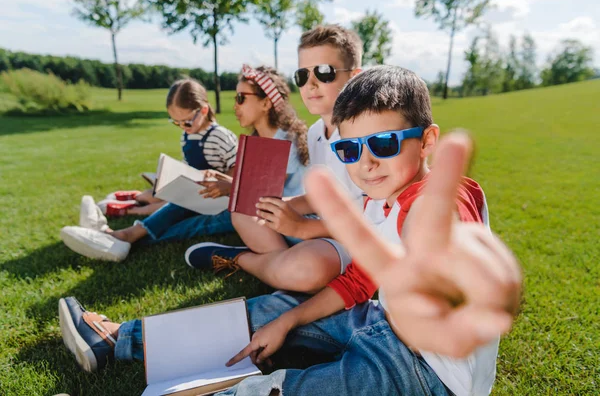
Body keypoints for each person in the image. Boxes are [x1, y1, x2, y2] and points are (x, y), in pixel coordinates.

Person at [58, 66, 522, 396]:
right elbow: (360, 281)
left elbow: (439, 235)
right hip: (380, 320)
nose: (367, 162)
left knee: (273, 391)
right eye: (349, 150)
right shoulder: (380, 199)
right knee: (275, 309)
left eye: (383, 142)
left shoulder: (442, 199)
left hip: (427, 373)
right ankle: (119, 339)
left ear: (429, 142)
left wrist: (444, 267)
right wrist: (289, 321)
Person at [185, 25, 370, 294]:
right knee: (243, 211)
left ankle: (242, 259)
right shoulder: (317, 132)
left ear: (355, 77)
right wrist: (285, 205)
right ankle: (280, 267)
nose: (311, 84)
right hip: (310, 228)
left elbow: (369, 218)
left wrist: (304, 227)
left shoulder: (365, 137)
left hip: (346, 239)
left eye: (324, 72)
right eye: (302, 75)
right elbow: (319, 195)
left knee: (308, 269)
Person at [60, 78, 238, 262]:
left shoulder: (220, 136)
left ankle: (121, 235)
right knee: (173, 207)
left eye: (186, 122)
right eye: (176, 123)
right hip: (197, 195)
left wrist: (217, 180)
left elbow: (239, 170)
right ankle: (116, 234)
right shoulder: (187, 136)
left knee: (175, 210)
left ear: (204, 110)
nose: (183, 128)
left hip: (219, 199)